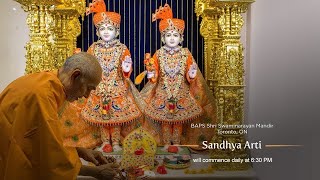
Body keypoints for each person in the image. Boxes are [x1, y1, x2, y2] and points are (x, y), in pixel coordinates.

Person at [0, 52, 119, 180]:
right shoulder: (42, 95)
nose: (87, 96)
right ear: (75, 75)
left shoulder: (46, 83)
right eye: (88, 88)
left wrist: (79, 151)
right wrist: (95, 172)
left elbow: (38, 143)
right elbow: (48, 158)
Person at [60, 0, 143, 153]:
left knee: (115, 117)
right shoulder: (93, 48)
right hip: (98, 88)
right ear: (97, 31)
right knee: (103, 117)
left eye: (110, 28)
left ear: (116, 31)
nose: (106, 31)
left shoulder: (122, 48)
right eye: (102, 28)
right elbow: (87, 67)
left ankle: (116, 142)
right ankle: (105, 142)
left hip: (117, 87)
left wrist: (126, 67)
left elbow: (126, 70)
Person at [140, 4, 217, 152]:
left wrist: (192, 73)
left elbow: (190, 76)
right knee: (165, 122)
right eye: (168, 35)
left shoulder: (185, 53)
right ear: (163, 38)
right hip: (163, 94)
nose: (172, 38)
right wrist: (151, 74)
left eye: (175, 35)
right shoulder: (158, 54)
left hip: (181, 94)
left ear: (181, 37)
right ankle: (167, 144)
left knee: (178, 122)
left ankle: (176, 144)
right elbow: (154, 76)